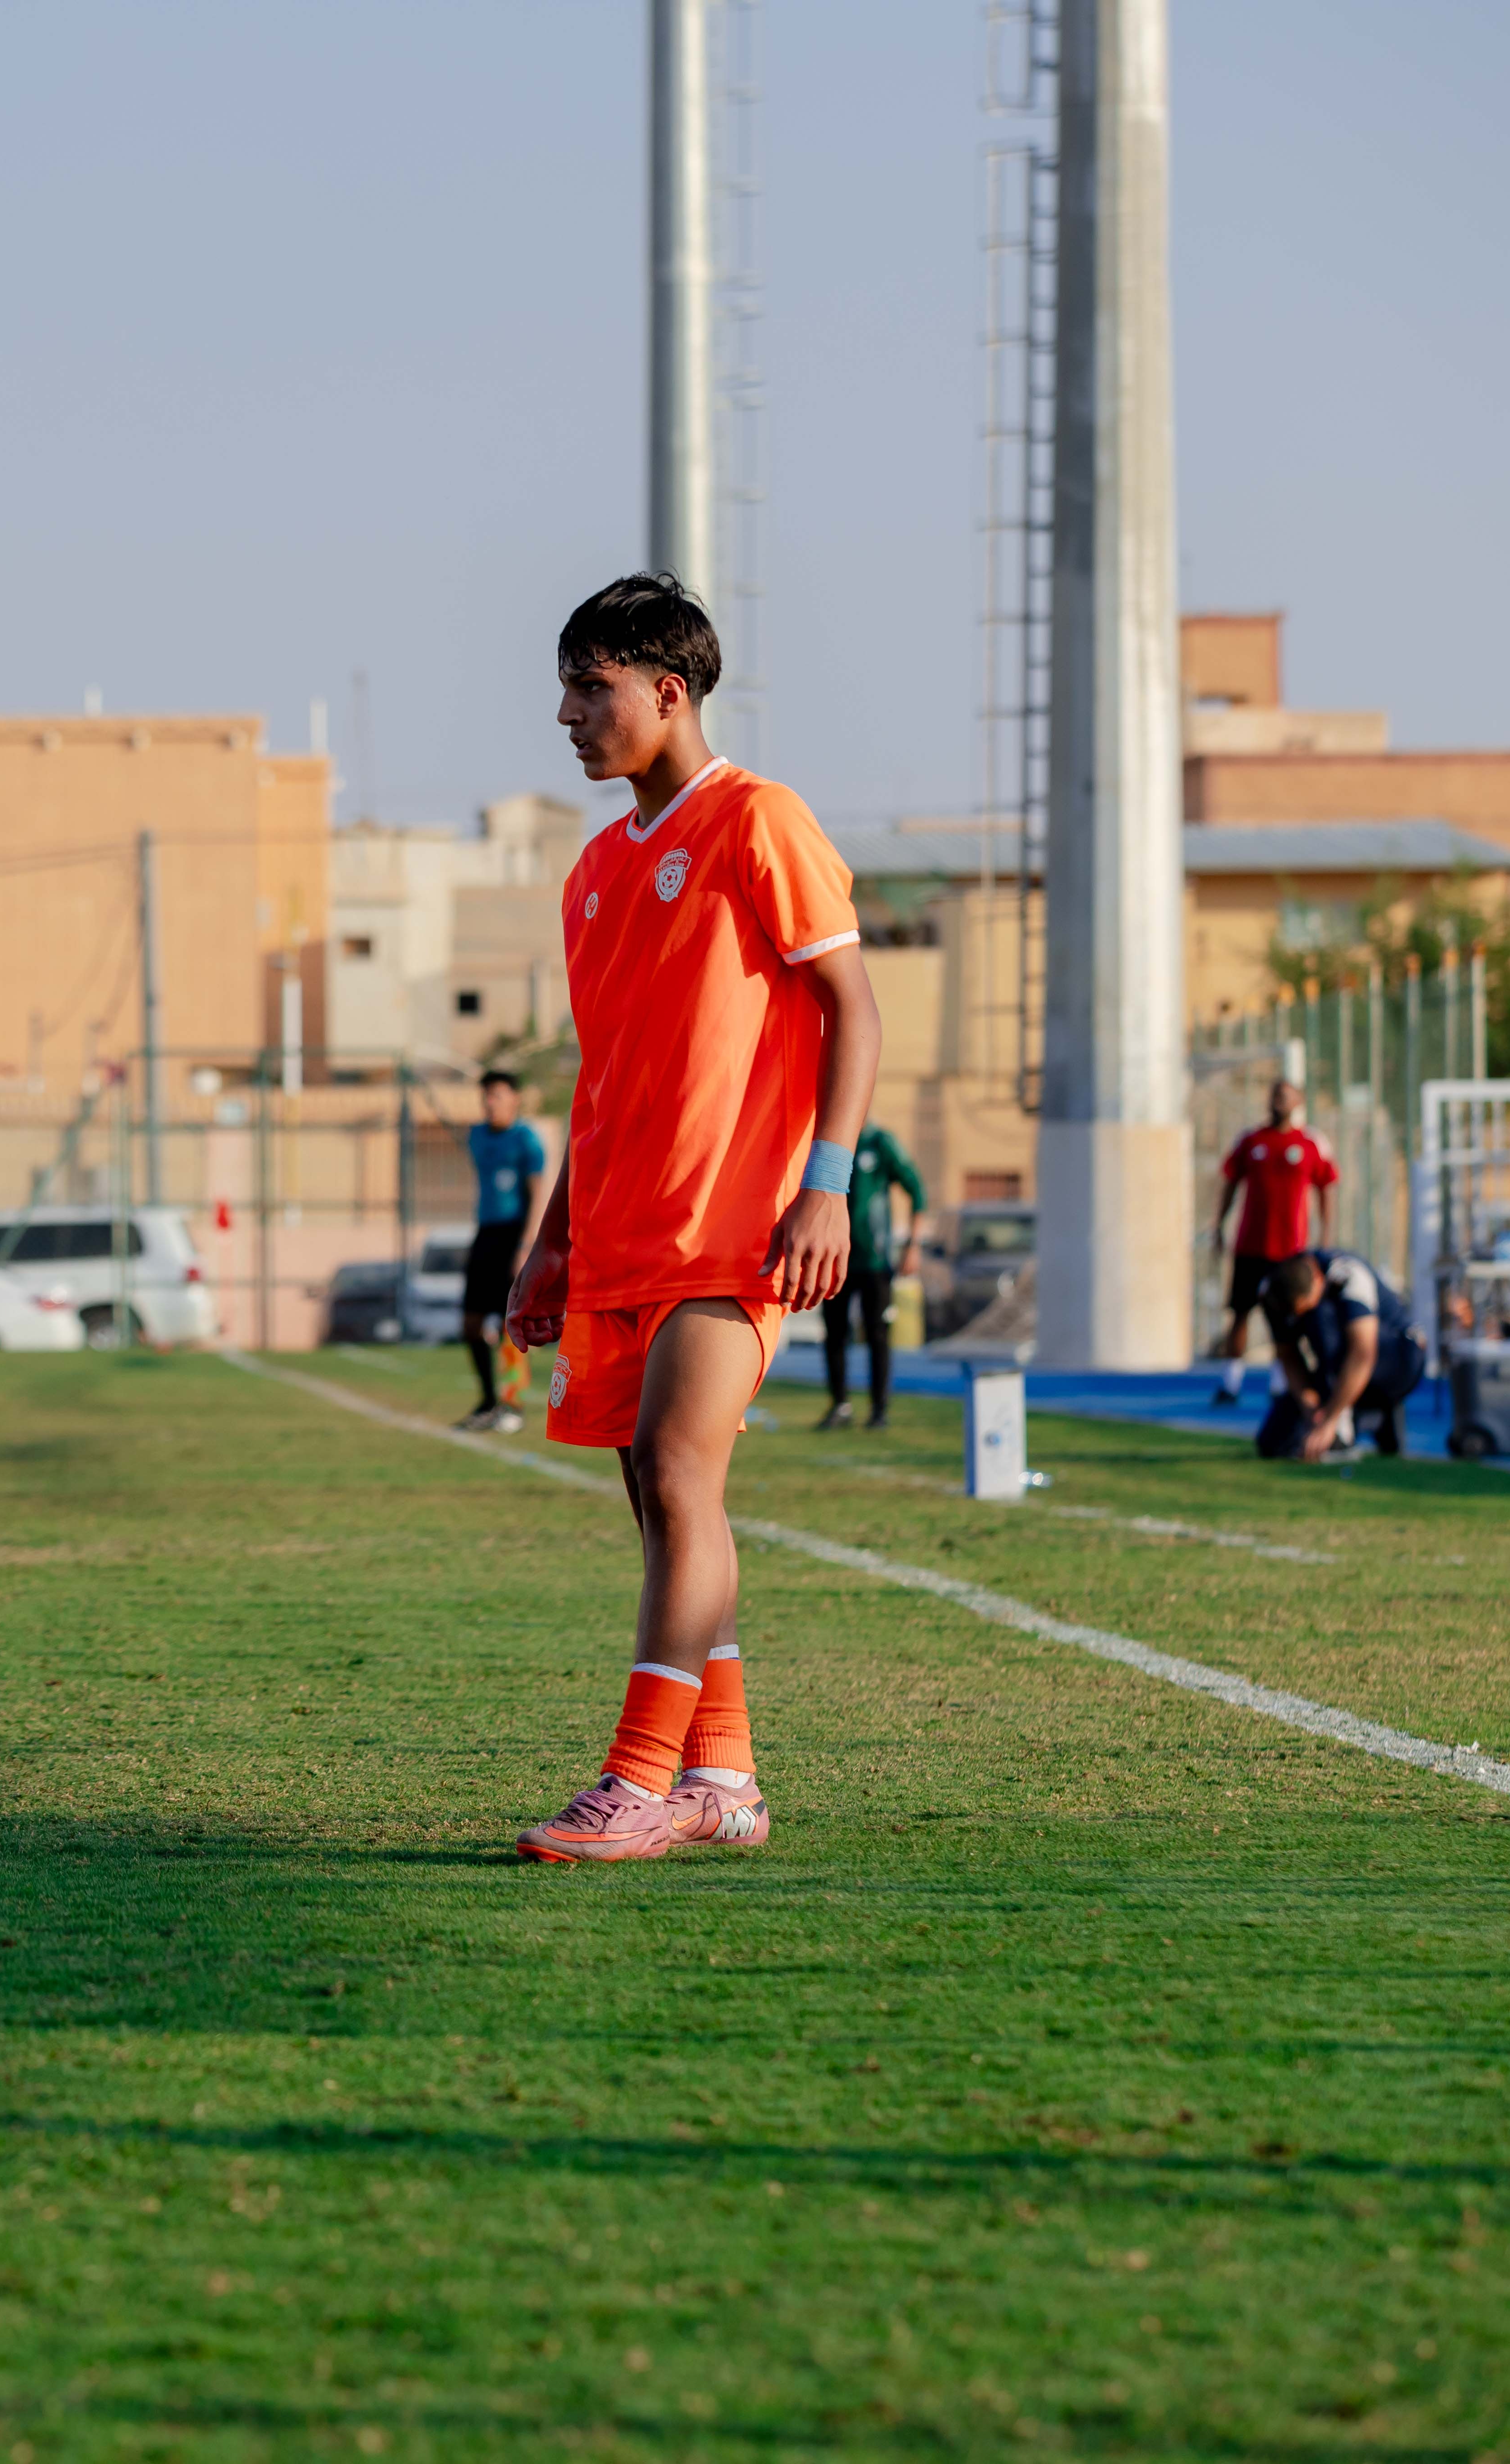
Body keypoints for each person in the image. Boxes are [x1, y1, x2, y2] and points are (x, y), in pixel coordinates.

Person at [505, 573, 876, 1862]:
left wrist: (827, 1185)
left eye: (590, 687)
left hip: (736, 1230)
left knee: (677, 1473)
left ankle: (637, 1778)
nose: (567, 714)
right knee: (665, 1508)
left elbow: (854, 1011)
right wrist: (552, 1240)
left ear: (670, 692)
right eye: (564, 688)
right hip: (618, 1232)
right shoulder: (594, 872)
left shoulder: (759, 819)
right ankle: (725, 1778)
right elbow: (600, 1075)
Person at [1211, 1080, 1337, 1408]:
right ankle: (1231, 1383)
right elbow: (1231, 1183)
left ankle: (1282, 1385)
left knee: (1285, 1318)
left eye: (1286, 1096)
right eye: (1275, 1095)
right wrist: (1219, 1226)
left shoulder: (1310, 1143)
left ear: (1299, 1101)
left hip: (1289, 1252)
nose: (1279, 1100)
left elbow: (1325, 1188)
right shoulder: (1251, 1140)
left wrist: (1325, 1234)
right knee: (1240, 1314)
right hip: (1250, 1247)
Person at [1259, 1247, 1426, 1461]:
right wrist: (1310, 1407)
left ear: (1318, 1279)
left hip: (1399, 1357)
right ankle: (1373, 1417)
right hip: (1339, 1366)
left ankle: (1346, 1430)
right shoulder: (1273, 1292)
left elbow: (1362, 1354)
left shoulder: (1348, 1275)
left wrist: (1330, 1419)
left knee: (1323, 1318)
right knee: (1275, 1443)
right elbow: (1288, 1355)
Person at [817, 1122, 923, 1431]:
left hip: (874, 1260)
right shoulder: (825, 1138)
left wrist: (913, 1245)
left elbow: (917, 1191)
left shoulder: (879, 1143)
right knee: (835, 1333)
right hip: (834, 1257)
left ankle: (879, 1410)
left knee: (878, 1334)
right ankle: (840, 1405)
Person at [459, 1071, 549, 1433]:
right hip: (486, 1234)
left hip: (515, 1236)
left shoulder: (526, 1139)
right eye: (486, 1095)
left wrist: (526, 1245)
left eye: (497, 1095)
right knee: (470, 1323)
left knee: (509, 1324)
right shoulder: (477, 1136)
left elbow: (537, 1193)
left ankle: (513, 1405)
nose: (490, 1102)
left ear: (515, 1098)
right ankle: (486, 1402)